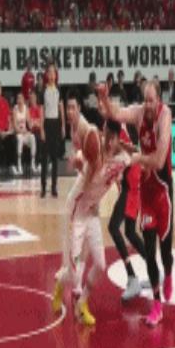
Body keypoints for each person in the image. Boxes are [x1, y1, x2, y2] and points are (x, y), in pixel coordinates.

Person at [99, 80, 174, 327]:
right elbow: (115, 115)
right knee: (142, 244)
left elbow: (157, 160)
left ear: (159, 100)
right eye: (145, 99)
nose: (148, 104)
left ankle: (163, 273)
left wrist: (136, 158)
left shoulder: (163, 117)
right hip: (143, 188)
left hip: (155, 187)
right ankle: (156, 301)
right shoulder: (134, 114)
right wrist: (104, 96)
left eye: (152, 100)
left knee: (162, 250)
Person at [52, 92, 132, 326]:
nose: (108, 141)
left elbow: (138, 156)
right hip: (77, 211)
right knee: (73, 272)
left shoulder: (123, 159)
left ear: (117, 139)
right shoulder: (93, 149)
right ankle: (60, 283)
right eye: (106, 135)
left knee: (100, 264)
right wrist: (78, 163)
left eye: (112, 138)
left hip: (93, 213)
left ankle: (83, 302)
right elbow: (83, 158)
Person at [108, 124, 146, 301]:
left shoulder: (120, 126)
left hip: (132, 181)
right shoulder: (111, 126)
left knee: (113, 227)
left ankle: (132, 277)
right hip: (129, 181)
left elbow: (133, 151)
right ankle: (153, 268)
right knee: (130, 232)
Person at [41, 63, 65, 197]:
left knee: (55, 158)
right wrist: (42, 128)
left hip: (56, 124)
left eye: (53, 72)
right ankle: (43, 187)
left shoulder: (58, 90)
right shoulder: (43, 90)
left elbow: (61, 108)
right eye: (49, 72)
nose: (51, 75)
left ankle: (54, 187)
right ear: (46, 75)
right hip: (47, 123)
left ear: (56, 75)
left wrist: (63, 126)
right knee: (45, 158)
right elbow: (41, 110)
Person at [13, 93, 39, 175]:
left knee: (32, 137)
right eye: (18, 98)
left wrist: (33, 123)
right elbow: (15, 126)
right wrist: (21, 132)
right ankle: (19, 165)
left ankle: (33, 164)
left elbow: (29, 123)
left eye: (21, 98)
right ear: (17, 100)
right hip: (18, 133)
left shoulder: (26, 108)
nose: (20, 100)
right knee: (20, 139)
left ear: (23, 100)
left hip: (25, 132)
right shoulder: (15, 109)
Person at [28, 90, 43, 171]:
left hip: (39, 130)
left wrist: (35, 122)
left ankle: (39, 162)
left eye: (33, 97)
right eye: (31, 98)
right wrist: (35, 122)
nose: (32, 99)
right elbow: (29, 124)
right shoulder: (28, 110)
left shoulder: (40, 108)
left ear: (36, 98)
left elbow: (41, 122)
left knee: (39, 137)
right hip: (31, 131)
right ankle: (34, 162)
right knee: (34, 137)